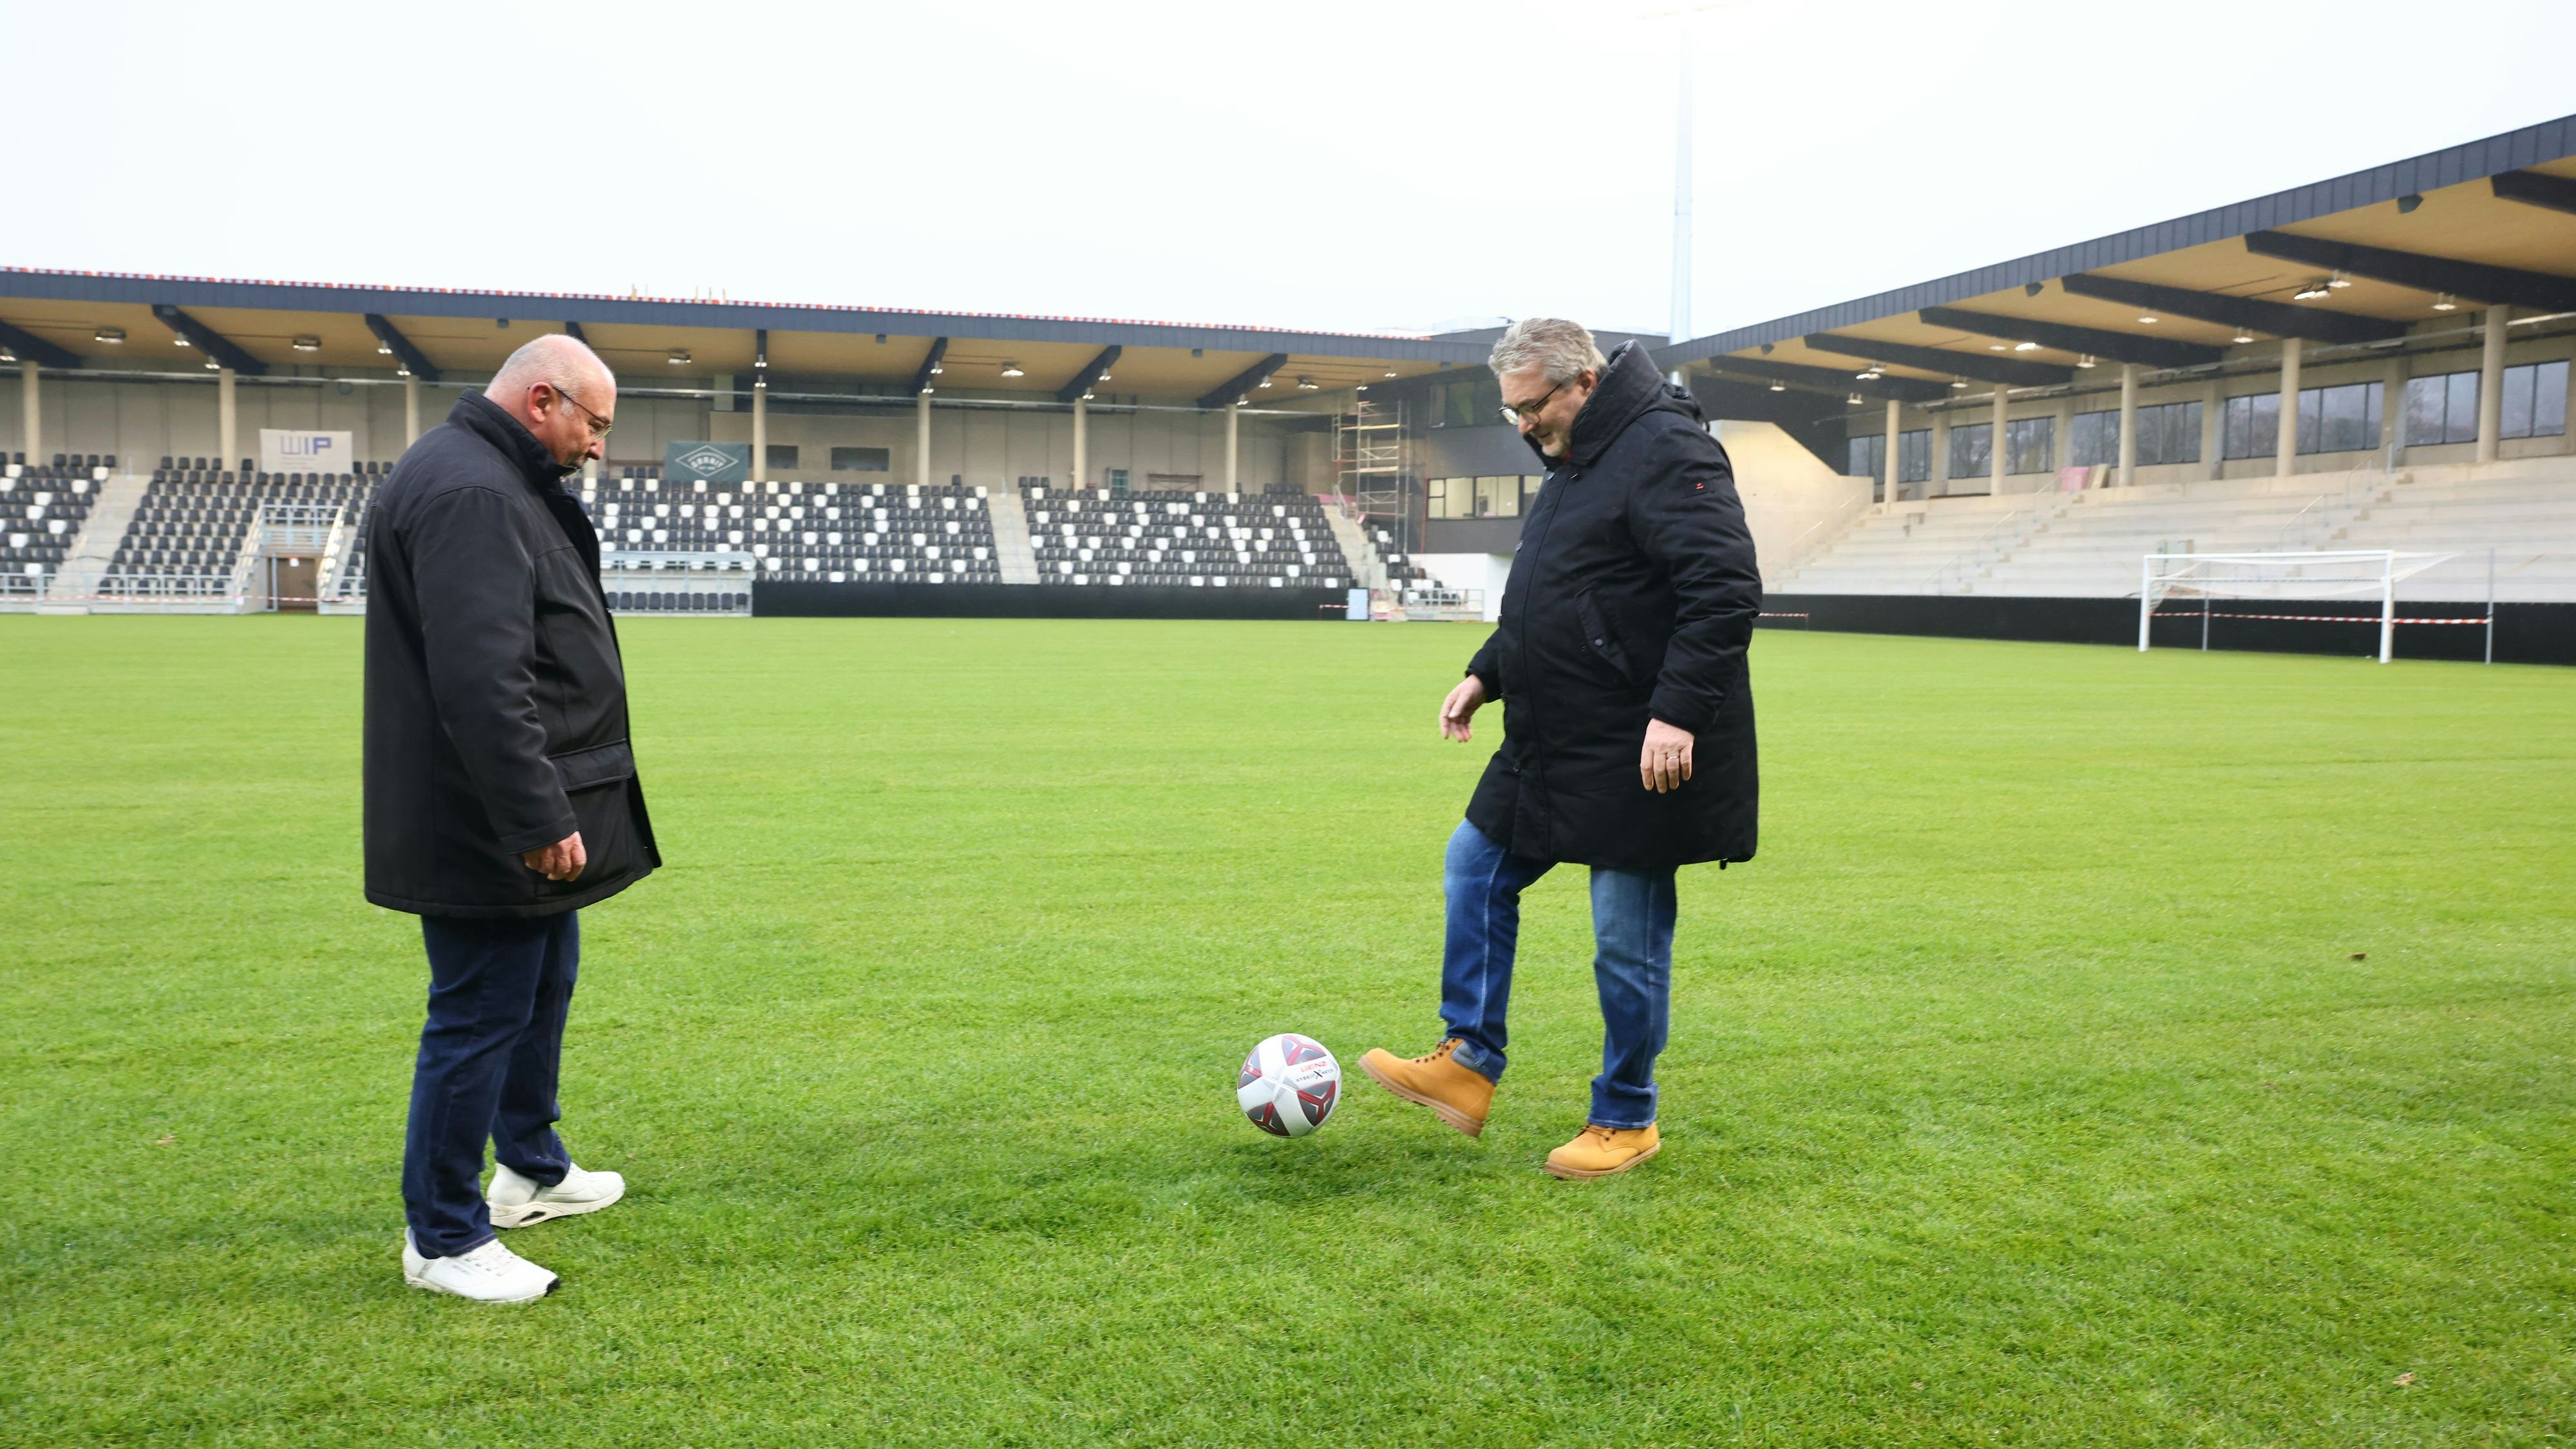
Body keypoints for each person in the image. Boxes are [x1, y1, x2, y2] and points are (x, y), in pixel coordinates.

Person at [1359, 318, 1759, 1179]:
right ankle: (1468, 1060)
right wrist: (1487, 672)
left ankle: (1626, 1114)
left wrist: (1678, 713)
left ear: (1584, 382)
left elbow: (1724, 589)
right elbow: (1558, 592)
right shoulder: (1575, 456)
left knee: (1625, 939)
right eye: (1511, 410)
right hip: (1553, 736)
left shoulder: (1665, 447)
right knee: (1474, 866)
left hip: (1639, 741)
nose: (1523, 424)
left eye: (1531, 406)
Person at [364, 334, 660, 1301]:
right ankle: (444, 1238)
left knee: (540, 985)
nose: (598, 445)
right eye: (595, 424)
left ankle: (530, 1167)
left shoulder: (494, 478)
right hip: (482, 817)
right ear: (542, 400)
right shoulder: (474, 491)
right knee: (481, 1010)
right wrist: (534, 814)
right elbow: (482, 677)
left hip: (508, 803)